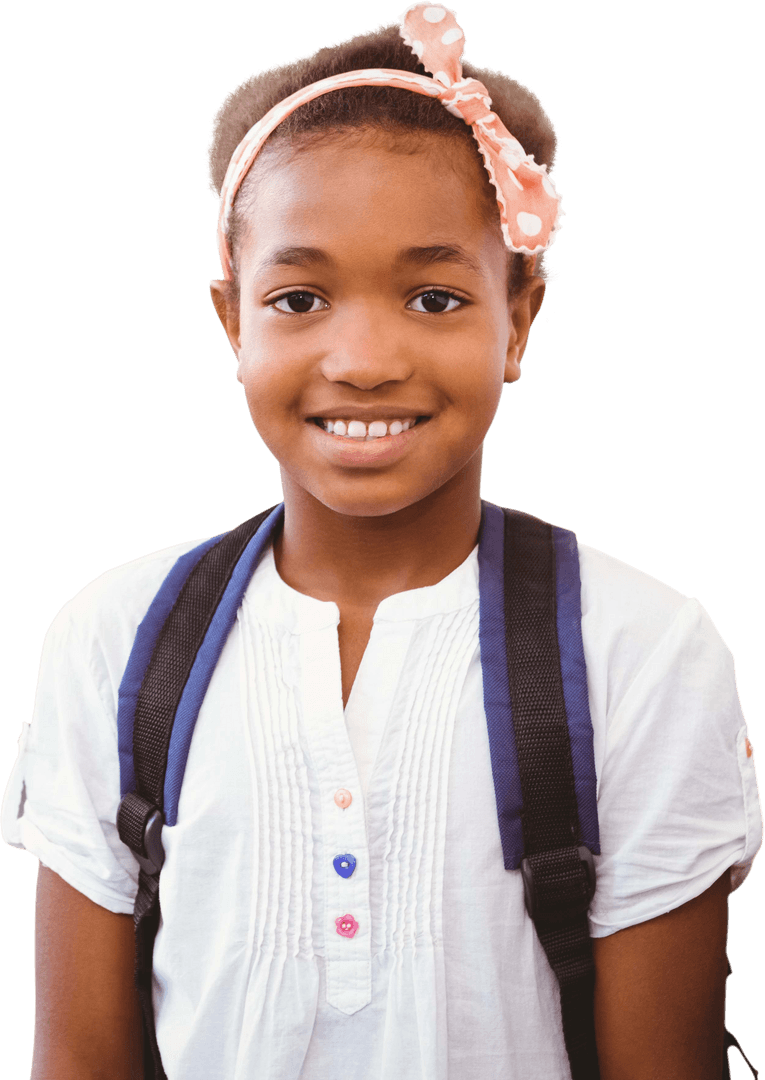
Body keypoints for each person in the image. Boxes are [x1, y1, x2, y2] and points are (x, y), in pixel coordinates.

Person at [2, 3, 761, 1078]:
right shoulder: (113, 640)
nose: (362, 358)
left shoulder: (639, 651)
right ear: (234, 322)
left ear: (519, 321)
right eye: (300, 297)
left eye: (436, 296)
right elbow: (78, 1060)